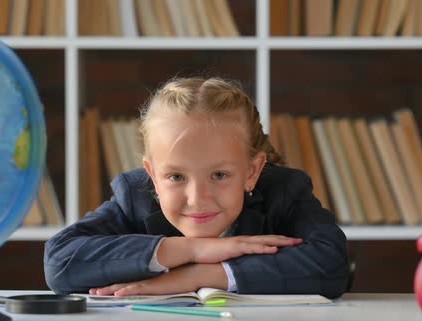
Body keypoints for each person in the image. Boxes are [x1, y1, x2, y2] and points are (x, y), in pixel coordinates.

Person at [44, 77, 350, 298]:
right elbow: (60, 263)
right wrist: (194, 249)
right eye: (176, 177)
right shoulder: (135, 196)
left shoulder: (283, 191)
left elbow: (333, 265)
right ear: (152, 175)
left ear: (252, 171)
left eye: (219, 175)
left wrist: (200, 275)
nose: (197, 199)